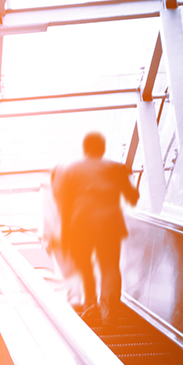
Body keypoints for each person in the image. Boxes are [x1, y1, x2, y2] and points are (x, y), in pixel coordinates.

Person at [53, 132, 138, 327]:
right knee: (109, 267)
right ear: (103, 148)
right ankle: (109, 316)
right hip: (109, 223)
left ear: (85, 149)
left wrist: (65, 233)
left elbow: (64, 205)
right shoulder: (117, 168)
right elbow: (132, 197)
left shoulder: (70, 170)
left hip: (80, 223)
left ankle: (90, 306)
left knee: (85, 266)